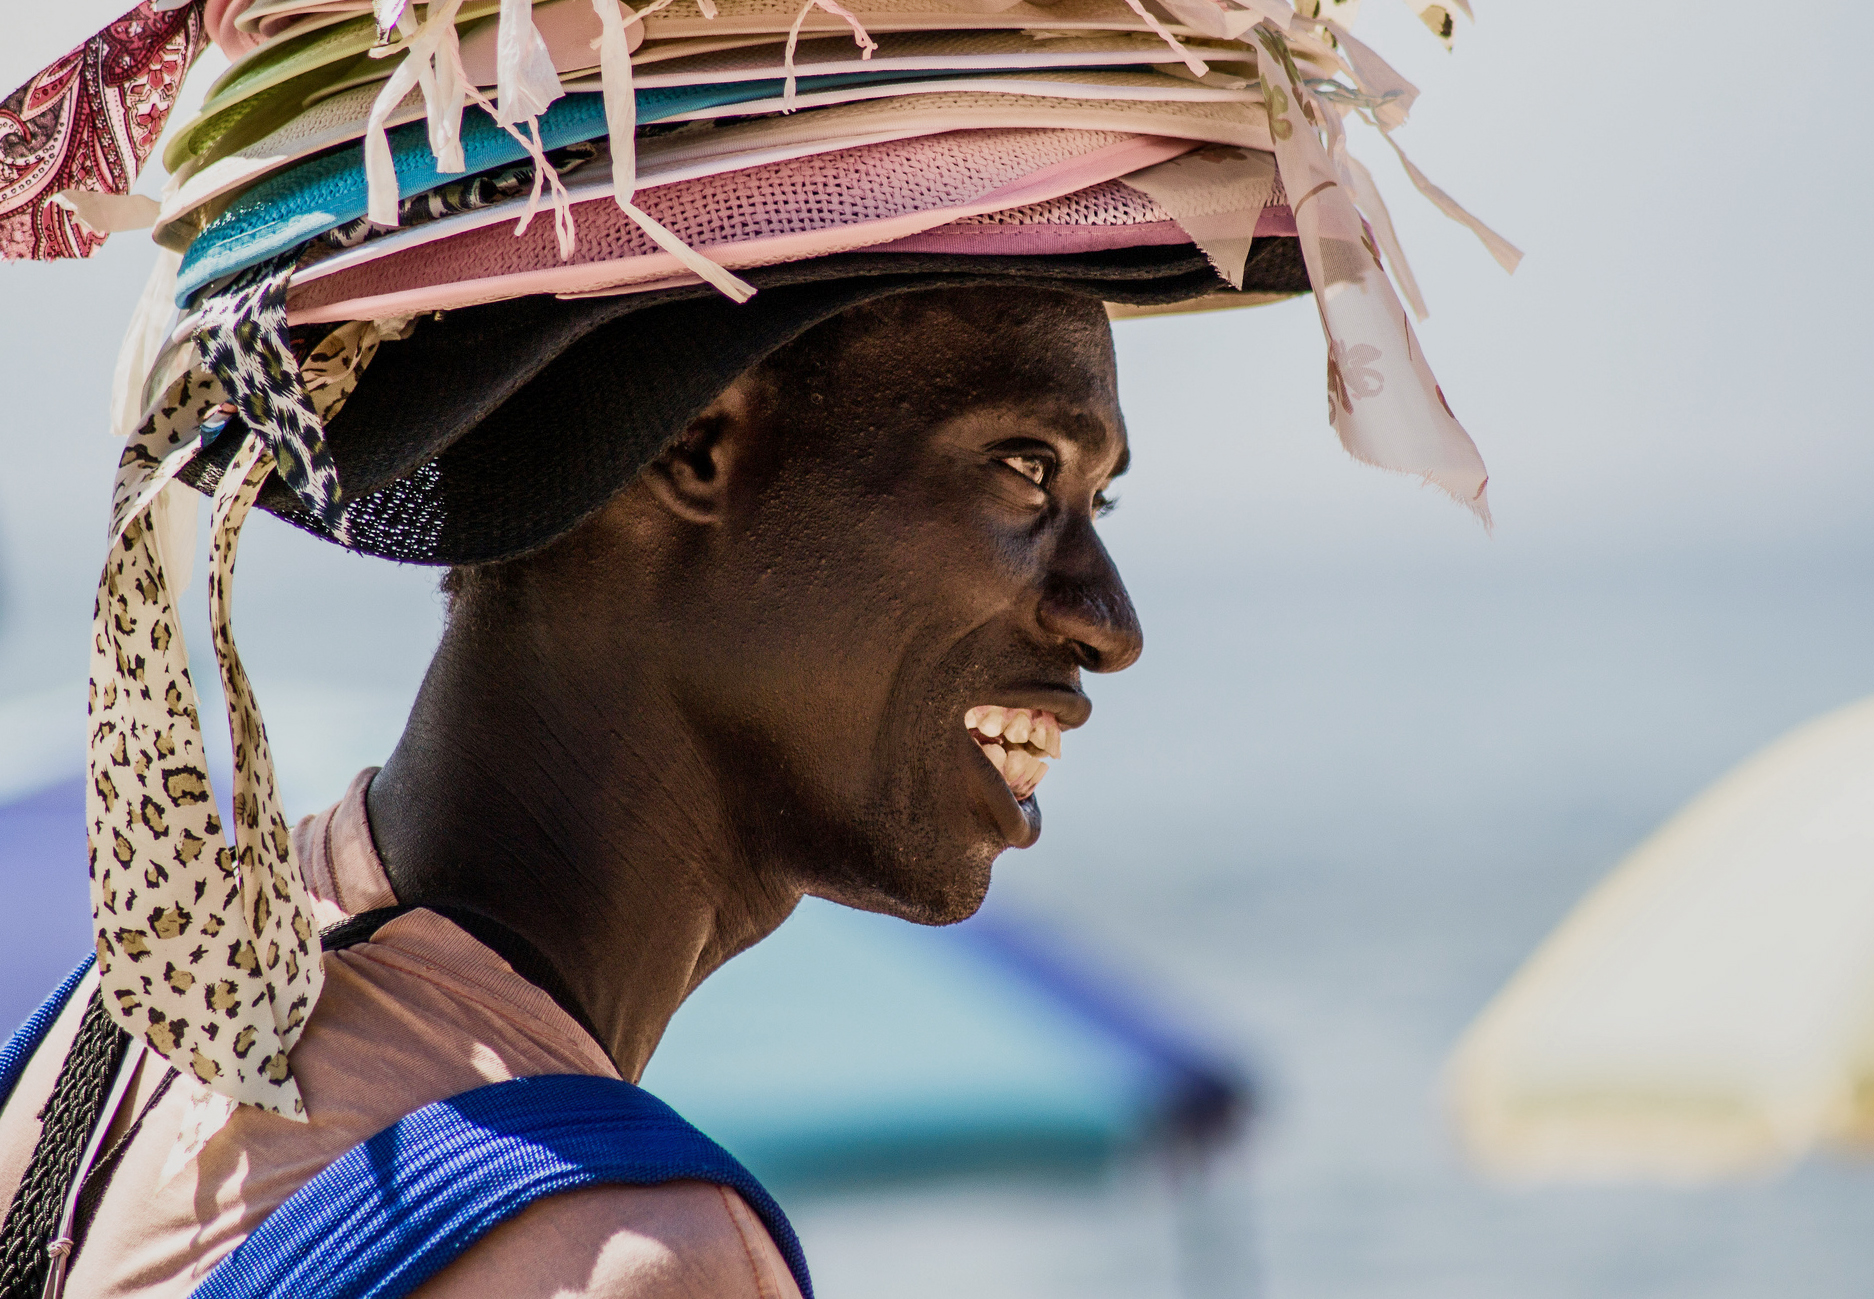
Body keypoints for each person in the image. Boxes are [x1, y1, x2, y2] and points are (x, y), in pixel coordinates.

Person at [0, 0, 1510, 1292]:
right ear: (701, 447)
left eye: (1097, 500)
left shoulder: (118, 1046)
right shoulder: (631, 1260)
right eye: (1023, 475)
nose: (1104, 625)